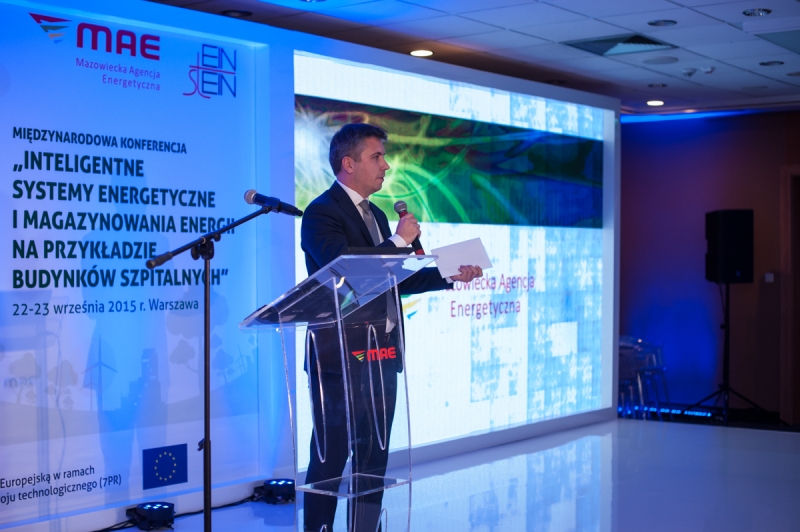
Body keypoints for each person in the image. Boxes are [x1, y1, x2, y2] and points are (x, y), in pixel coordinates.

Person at [300, 123, 482, 531]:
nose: (386, 166)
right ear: (348, 163)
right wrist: (399, 241)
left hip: (380, 352)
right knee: (331, 458)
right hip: (338, 356)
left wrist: (449, 274)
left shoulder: (377, 215)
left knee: (373, 458)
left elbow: (391, 279)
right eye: (376, 157)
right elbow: (348, 273)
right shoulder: (321, 213)